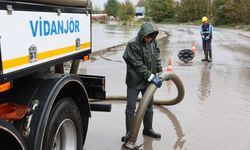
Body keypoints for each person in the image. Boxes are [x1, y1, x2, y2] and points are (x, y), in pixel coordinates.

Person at [122, 22, 163, 143]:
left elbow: (156, 55)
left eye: (151, 37)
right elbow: (136, 64)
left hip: (148, 81)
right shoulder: (132, 44)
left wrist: (160, 71)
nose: (149, 40)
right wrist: (150, 76)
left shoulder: (153, 41)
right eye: (147, 37)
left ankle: (148, 129)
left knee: (149, 106)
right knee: (131, 107)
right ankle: (129, 134)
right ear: (142, 34)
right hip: (134, 81)